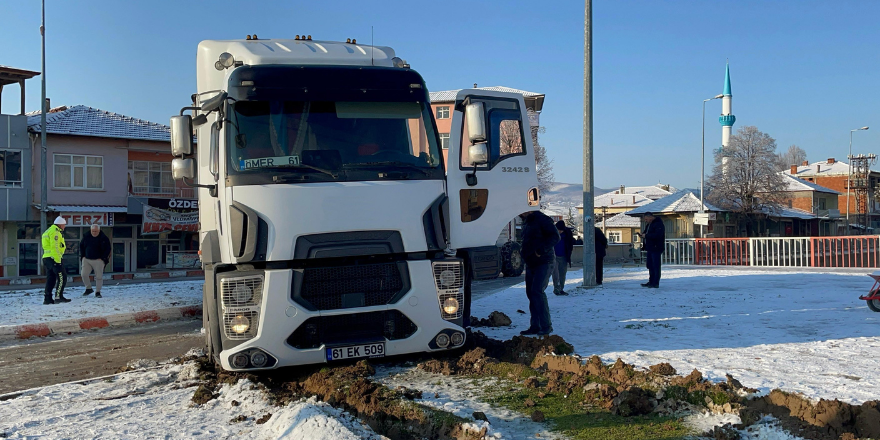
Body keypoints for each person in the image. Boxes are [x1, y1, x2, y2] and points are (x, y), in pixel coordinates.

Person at [519, 211, 560, 336]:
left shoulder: (542, 219)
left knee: (537, 291)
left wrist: (540, 251)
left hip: (544, 261)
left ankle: (546, 326)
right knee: (531, 294)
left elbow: (555, 236)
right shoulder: (526, 221)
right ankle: (535, 325)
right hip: (531, 262)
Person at [42, 216, 70, 304]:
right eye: (64, 225)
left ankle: (47, 298)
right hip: (54, 258)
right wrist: (57, 261)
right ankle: (59, 297)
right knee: (62, 278)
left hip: (46, 258)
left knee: (51, 279)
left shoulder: (48, 231)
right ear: (60, 224)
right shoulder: (55, 232)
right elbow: (55, 247)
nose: (64, 227)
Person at [80, 224, 111, 298]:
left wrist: (103, 258)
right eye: (93, 231)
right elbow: (81, 246)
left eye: (96, 231)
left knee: (99, 277)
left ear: (99, 231)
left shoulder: (104, 238)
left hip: (98, 260)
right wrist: (83, 256)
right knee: (84, 274)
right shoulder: (86, 236)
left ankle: (98, 292)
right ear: (90, 230)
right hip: (87, 259)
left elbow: (108, 249)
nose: (94, 233)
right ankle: (88, 288)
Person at [640, 212, 666, 288]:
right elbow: (647, 233)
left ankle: (655, 282)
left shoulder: (658, 224)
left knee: (655, 265)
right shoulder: (649, 224)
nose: (646, 221)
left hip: (656, 247)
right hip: (650, 247)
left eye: (646, 219)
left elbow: (658, 235)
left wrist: (646, 235)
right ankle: (651, 281)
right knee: (650, 265)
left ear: (650, 217)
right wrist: (643, 235)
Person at [552, 220, 575, 295]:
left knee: (562, 274)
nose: (560, 231)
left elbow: (570, 243)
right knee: (555, 274)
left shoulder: (567, 234)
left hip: (564, 256)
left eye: (561, 230)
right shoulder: (552, 233)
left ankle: (560, 289)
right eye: (559, 230)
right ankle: (556, 288)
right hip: (554, 256)